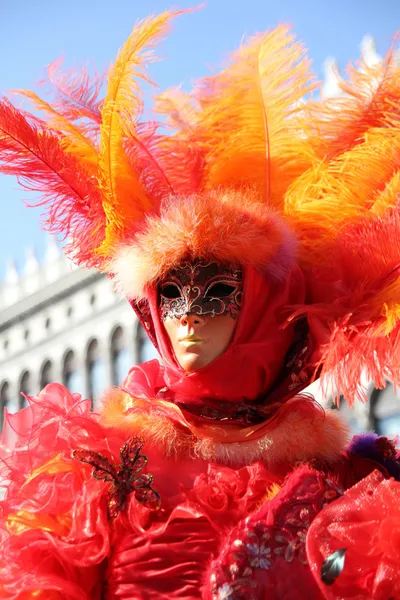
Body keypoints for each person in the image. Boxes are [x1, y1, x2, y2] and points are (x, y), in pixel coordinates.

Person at [0, 9, 399, 599]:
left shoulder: (357, 481)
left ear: (269, 305)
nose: (187, 315)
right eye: (169, 291)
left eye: (218, 292)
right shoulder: (92, 468)